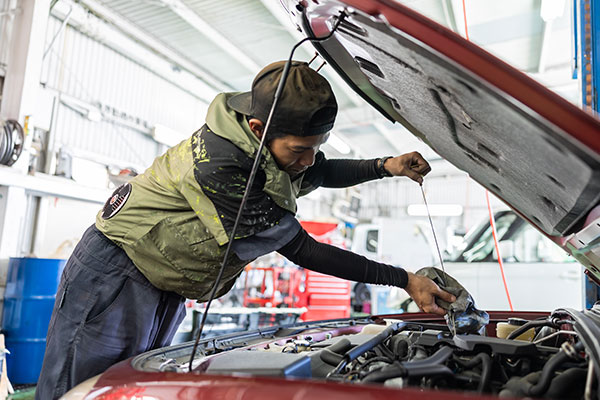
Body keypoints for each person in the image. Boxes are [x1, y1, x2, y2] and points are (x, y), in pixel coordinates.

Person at [36, 60, 455, 399]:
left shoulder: (270, 146)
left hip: (163, 281)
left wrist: (385, 167)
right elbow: (304, 250)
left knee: (133, 389)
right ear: (259, 131)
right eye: (300, 150)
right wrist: (402, 280)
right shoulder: (223, 166)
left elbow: (323, 170)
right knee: (82, 391)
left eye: (316, 146)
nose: (309, 160)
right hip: (117, 273)